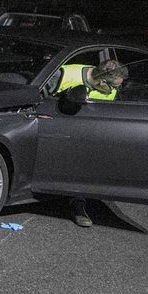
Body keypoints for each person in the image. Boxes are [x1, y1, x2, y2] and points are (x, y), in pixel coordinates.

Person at [52, 59, 129, 226]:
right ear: (102, 81)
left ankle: (78, 204)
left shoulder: (109, 90)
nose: (116, 90)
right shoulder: (66, 74)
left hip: (82, 134)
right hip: (53, 126)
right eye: (115, 86)